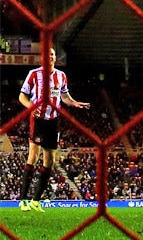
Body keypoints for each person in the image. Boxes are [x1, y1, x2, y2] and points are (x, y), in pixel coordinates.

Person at [18, 48, 90, 211]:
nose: (49, 57)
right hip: (37, 119)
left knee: (49, 160)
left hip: (53, 120)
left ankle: (36, 201)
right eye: (47, 54)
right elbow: (22, 96)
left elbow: (64, 96)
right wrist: (30, 106)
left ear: (55, 58)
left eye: (52, 54)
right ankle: (23, 200)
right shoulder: (34, 74)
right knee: (33, 156)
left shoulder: (61, 76)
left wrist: (75, 102)